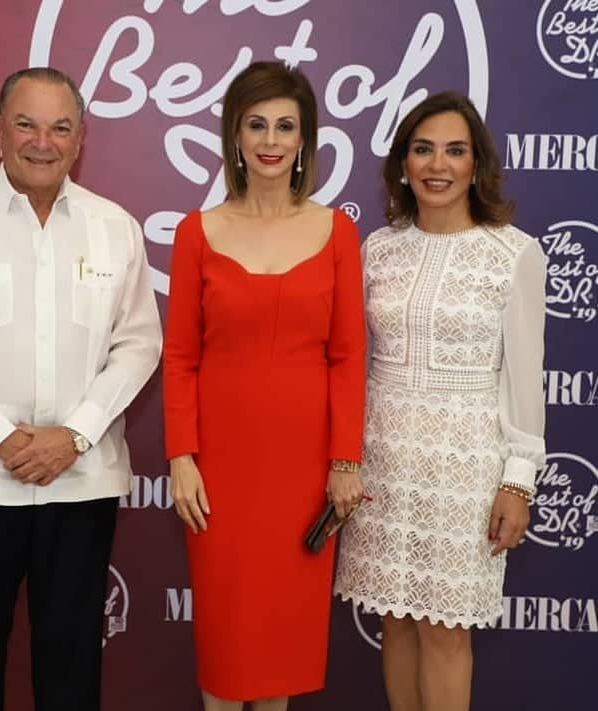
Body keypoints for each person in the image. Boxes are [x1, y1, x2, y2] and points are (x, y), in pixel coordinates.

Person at [0, 67, 162, 711]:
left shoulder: (115, 228)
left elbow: (138, 343)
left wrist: (74, 435)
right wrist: (3, 438)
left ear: (81, 138)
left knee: (72, 671)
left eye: (60, 128)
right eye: (26, 124)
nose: (43, 142)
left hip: (81, 478)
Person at [163, 61, 367, 711]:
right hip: (219, 470)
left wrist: (343, 461)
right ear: (235, 134)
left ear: (305, 138)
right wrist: (181, 457)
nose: (270, 140)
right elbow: (180, 357)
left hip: (303, 469)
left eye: (285, 125)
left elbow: (347, 357)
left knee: (281, 650)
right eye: (256, 125)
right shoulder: (196, 232)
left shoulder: (337, 231)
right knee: (227, 649)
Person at [334, 91, 547, 711]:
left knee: (445, 631)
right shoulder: (378, 248)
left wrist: (518, 480)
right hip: (384, 461)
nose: (438, 165)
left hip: (466, 469)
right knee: (396, 622)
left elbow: (525, 378)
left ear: (476, 165)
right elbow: (353, 363)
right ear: (403, 163)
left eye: (455, 151)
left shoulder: (513, 252)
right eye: (423, 149)